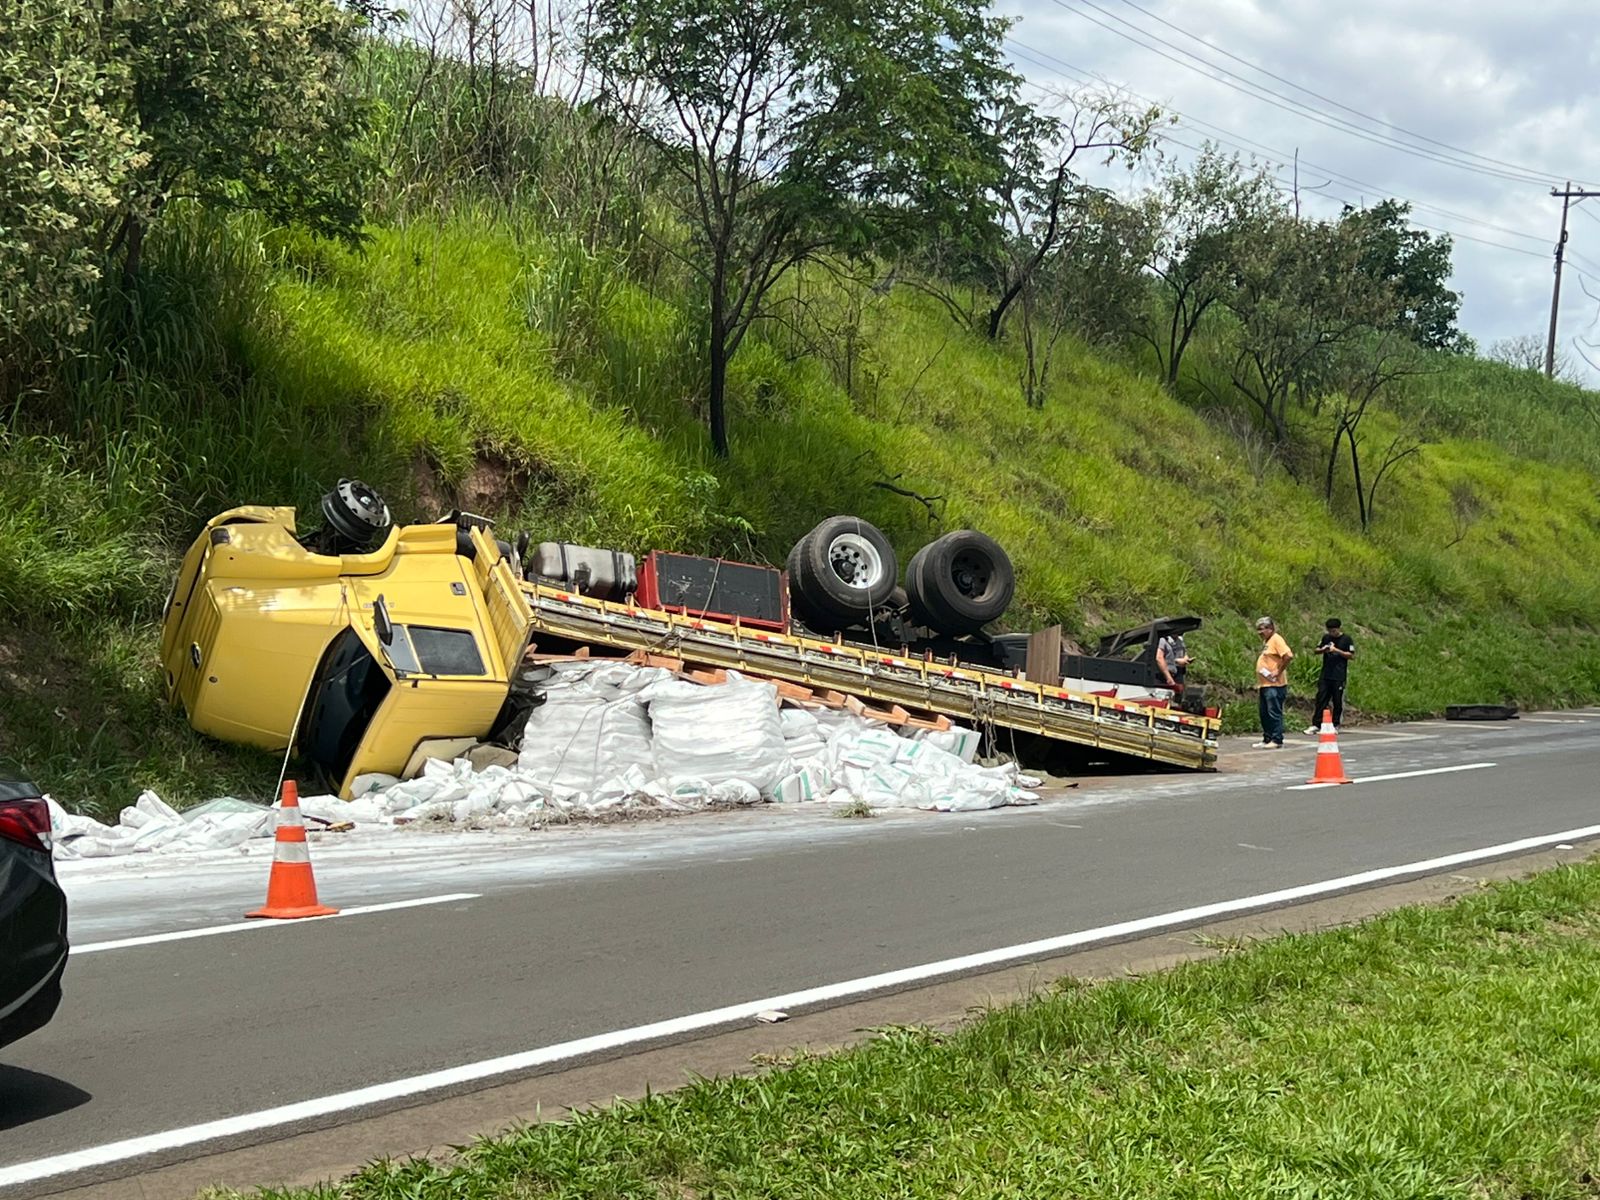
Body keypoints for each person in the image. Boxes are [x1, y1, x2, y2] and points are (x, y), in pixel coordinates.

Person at [1305, 618, 1356, 733]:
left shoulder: (1346, 639)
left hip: (1338, 675)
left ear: (1338, 629)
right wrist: (1323, 650)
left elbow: (1351, 655)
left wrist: (1336, 650)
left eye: (1333, 631)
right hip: (1326, 674)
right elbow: (1316, 650)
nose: (1331, 633)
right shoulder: (1326, 638)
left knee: (1337, 700)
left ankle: (1335, 724)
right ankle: (1316, 724)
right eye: (1329, 631)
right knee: (1321, 699)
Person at [1252, 616, 1292, 748]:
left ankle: (1276, 739)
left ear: (1270, 629)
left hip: (1275, 685)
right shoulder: (1267, 642)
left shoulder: (1277, 639)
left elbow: (1288, 656)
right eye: (1258, 630)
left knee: (1273, 712)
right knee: (1264, 713)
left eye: (1262, 629)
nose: (1260, 633)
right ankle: (1267, 738)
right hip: (1265, 684)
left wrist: (1278, 671)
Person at [1156, 628, 1193, 692]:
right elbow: (1159, 658)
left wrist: (1186, 659)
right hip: (1165, 674)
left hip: (1178, 673)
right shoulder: (1163, 640)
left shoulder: (1180, 640)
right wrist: (1168, 677)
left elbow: (1184, 652)